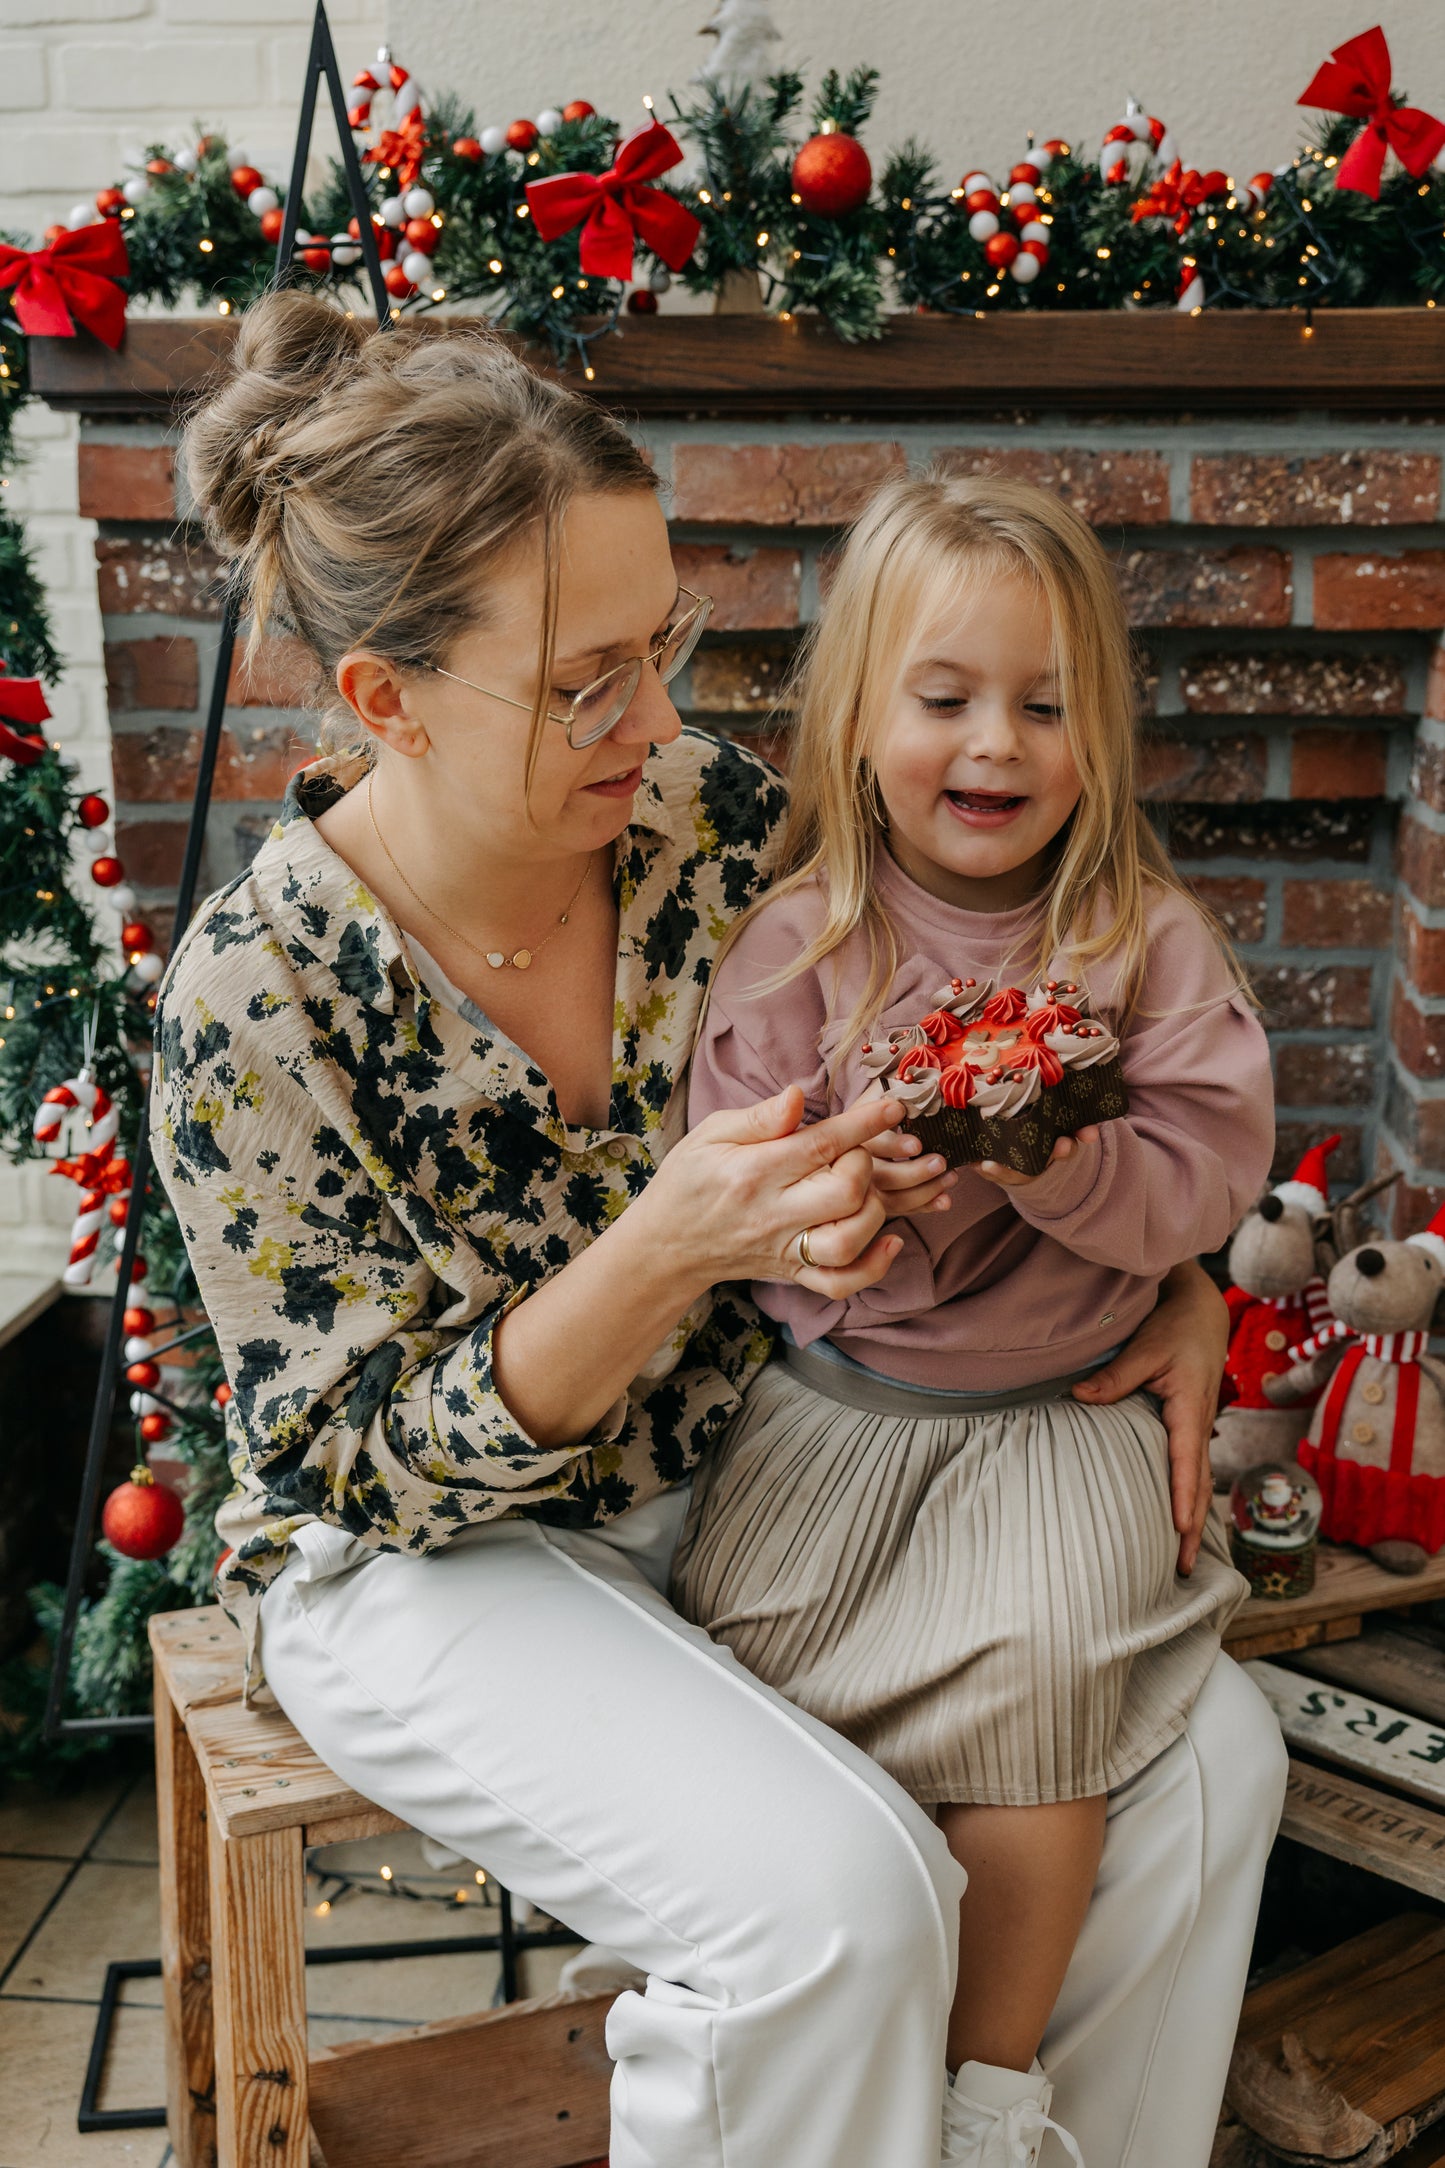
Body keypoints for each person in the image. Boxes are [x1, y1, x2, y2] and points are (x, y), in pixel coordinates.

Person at [153, 292, 1286, 2168]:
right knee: (831, 1905)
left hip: (764, 1469)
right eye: (585, 677)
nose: (662, 718)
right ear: (386, 699)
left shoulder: (701, 818)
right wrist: (662, 1250)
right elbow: (350, 1462)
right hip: (435, 1569)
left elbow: (984, 1065)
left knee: (1209, 1772)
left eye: (660, 639)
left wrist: (1163, 1279)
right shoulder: (253, 1000)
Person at [676, 471, 1276, 2166]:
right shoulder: (803, 945)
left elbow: (1206, 1175)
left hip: (1057, 1420)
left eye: (1043, 704)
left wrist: (1052, 1160)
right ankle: (805, 2043)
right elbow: (741, 1197)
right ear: (861, 716)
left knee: (1037, 1697)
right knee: (775, 1714)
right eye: (944, 699)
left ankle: (989, 2094)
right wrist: (856, 1204)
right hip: (840, 1415)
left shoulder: (1134, 943)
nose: (993, 743)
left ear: (1100, 735)